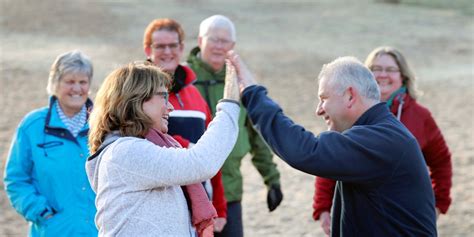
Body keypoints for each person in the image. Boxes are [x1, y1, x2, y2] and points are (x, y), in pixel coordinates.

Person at [228, 52, 437, 236]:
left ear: (350, 95)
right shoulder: (379, 132)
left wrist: (252, 93)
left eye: (323, 98)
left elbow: (307, 151)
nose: (318, 110)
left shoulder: (382, 140)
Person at [86, 61, 240, 236]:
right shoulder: (125, 152)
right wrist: (230, 104)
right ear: (136, 99)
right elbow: (200, 163)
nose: (170, 107)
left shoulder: (144, 148)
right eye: (163, 97)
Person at [312, 46, 453, 235]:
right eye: (376, 69)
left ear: (403, 76)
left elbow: (441, 162)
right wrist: (323, 207)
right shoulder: (350, 114)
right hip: (360, 214)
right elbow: (329, 159)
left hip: (401, 218)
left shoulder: (421, 116)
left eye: (390, 69)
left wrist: (439, 203)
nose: (383, 75)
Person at [187, 15, 283, 236]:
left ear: (233, 46)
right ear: (200, 40)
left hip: (231, 191)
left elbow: (256, 135)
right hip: (192, 192)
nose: (219, 46)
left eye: (225, 41)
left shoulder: (241, 82)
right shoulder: (183, 78)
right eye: (214, 39)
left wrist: (272, 179)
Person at [142, 18, 228, 232]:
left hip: (200, 204)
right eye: (160, 46)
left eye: (173, 45)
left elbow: (212, 153)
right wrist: (186, 148)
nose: (167, 52)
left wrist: (219, 206)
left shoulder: (196, 96)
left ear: (181, 48)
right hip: (160, 204)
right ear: (147, 49)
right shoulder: (138, 95)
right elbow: (136, 138)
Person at [4, 50, 97, 236]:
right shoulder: (32, 126)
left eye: (82, 82)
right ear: (55, 84)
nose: (77, 89)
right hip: (53, 230)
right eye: (70, 82)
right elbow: (16, 179)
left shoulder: (103, 125)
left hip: (98, 230)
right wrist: (41, 212)